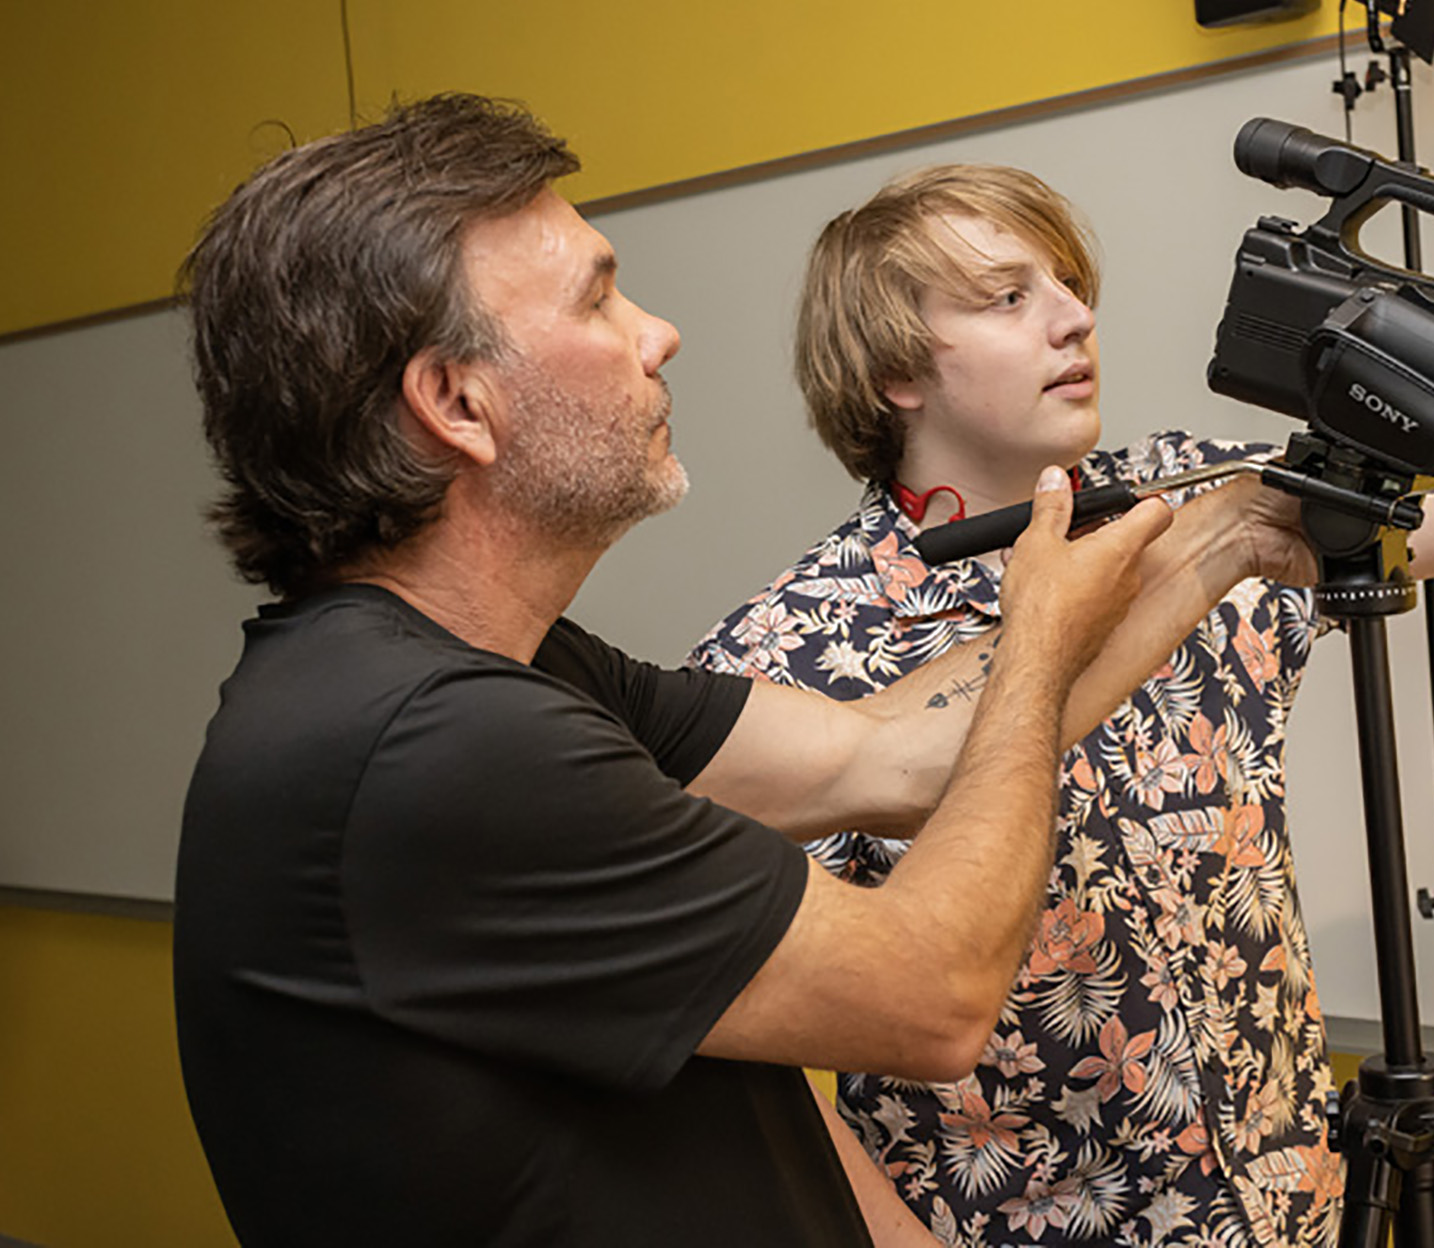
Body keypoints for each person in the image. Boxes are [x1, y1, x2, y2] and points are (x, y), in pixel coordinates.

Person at [172, 94, 1331, 1248]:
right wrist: (1033, 634)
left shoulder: (519, 675)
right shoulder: (434, 746)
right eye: (597, 296)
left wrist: (1211, 552)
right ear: (457, 403)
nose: (656, 332)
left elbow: (893, 755)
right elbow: (932, 996)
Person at [690, 162, 1434, 1246]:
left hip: (1294, 1207)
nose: (1075, 317)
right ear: (893, 373)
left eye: (1068, 284)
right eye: (1009, 298)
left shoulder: (1196, 503)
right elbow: (737, 1039)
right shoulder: (790, 654)